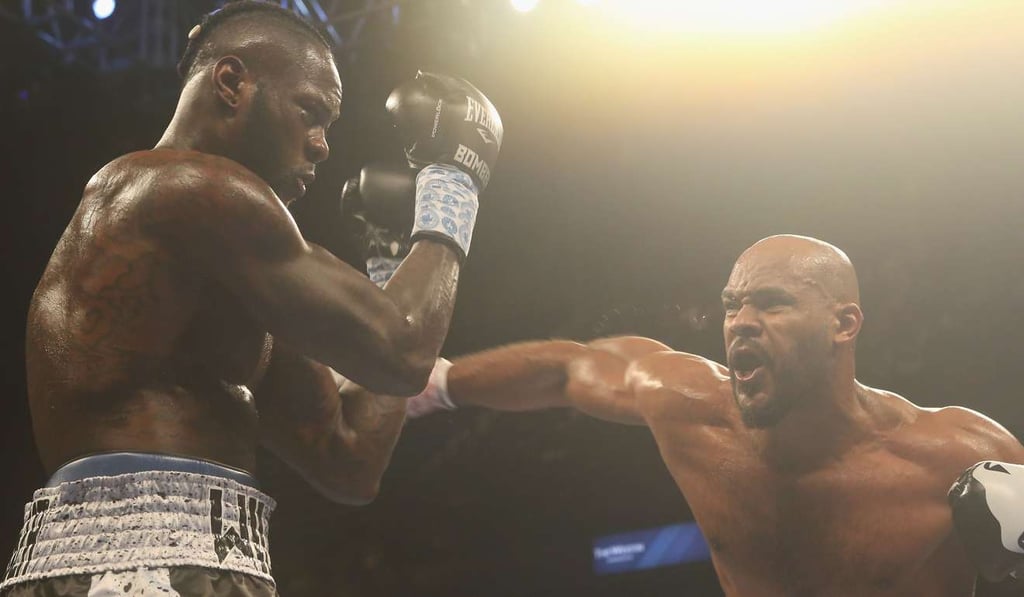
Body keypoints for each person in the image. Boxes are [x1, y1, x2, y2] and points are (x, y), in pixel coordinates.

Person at [2, 1, 502, 595]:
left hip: (193, 561)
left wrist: (392, 256)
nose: (321, 145)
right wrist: (455, 176)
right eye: (310, 112)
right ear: (232, 82)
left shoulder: (223, 279)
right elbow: (404, 348)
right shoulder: (186, 188)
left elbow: (350, 457)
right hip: (140, 563)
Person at [407, 234, 1024, 596]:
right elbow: (569, 370)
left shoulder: (956, 455)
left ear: (843, 324)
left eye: (773, 304)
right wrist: (427, 384)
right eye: (732, 306)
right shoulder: (692, 407)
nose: (742, 323)